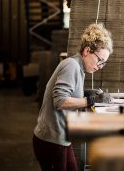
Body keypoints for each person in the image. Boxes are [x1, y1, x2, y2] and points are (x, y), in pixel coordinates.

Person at [32, 23, 113, 171]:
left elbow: (69, 93)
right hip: (51, 141)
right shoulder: (72, 66)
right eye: (100, 60)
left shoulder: (79, 67)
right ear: (87, 51)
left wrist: (87, 93)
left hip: (60, 138)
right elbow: (60, 101)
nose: (100, 66)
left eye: (104, 63)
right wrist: (91, 101)